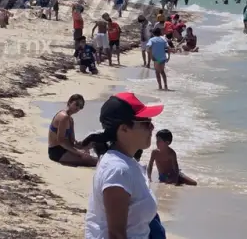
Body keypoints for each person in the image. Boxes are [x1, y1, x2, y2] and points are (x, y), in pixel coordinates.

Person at [83, 92, 164, 239]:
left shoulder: (127, 162)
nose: (152, 127)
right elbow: (116, 235)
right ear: (123, 129)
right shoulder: (118, 170)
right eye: (145, 123)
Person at [48, 94, 98, 167]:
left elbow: (72, 141)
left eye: (81, 107)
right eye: (77, 104)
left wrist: (82, 145)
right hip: (57, 151)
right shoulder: (63, 117)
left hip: (66, 147)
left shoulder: (70, 120)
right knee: (93, 161)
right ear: (69, 102)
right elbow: (60, 141)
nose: (78, 108)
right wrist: (80, 153)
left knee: (93, 142)